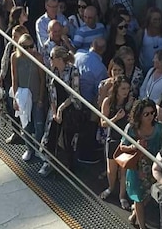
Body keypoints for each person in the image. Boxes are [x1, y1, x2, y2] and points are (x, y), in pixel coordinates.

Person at [120, 99, 162, 229]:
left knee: (149, 196)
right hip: (136, 167)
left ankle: (135, 215)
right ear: (139, 115)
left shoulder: (159, 127)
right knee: (138, 197)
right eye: (146, 114)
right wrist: (135, 146)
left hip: (153, 167)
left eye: (152, 113)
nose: (150, 116)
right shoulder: (131, 128)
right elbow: (122, 147)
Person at [39, 46, 82, 177]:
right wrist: (54, 111)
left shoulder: (73, 71)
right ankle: (48, 162)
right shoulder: (52, 71)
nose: (49, 60)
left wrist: (61, 109)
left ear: (58, 59)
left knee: (68, 139)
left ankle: (70, 167)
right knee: (51, 135)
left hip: (69, 107)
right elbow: (50, 91)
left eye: (51, 58)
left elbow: (74, 94)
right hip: (56, 106)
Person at [99, 76, 134, 207]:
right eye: (123, 88)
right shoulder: (108, 102)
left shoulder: (130, 102)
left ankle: (122, 196)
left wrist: (130, 107)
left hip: (126, 139)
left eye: (127, 88)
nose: (125, 91)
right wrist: (116, 117)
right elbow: (103, 123)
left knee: (124, 169)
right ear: (117, 89)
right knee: (111, 169)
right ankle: (111, 187)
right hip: (112, 137)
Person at [10, 34, 46, 162]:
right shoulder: (15, 57)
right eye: (28, 47)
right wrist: (15, 98)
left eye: (32, 46)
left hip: (36, 96)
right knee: (25, 126)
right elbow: (14, 79)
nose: (31, 49)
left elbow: (43, 79)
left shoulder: (38, 57)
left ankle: (38, 149)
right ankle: (29, 149)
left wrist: (41, 98)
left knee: (39, 125)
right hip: (23, 97)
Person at [74, 37, 108, 106]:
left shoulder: (78, 54)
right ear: (104, 49)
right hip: (87, 104)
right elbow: (99, 91)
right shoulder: (101, 69)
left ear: (91, 45)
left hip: (72, 98)